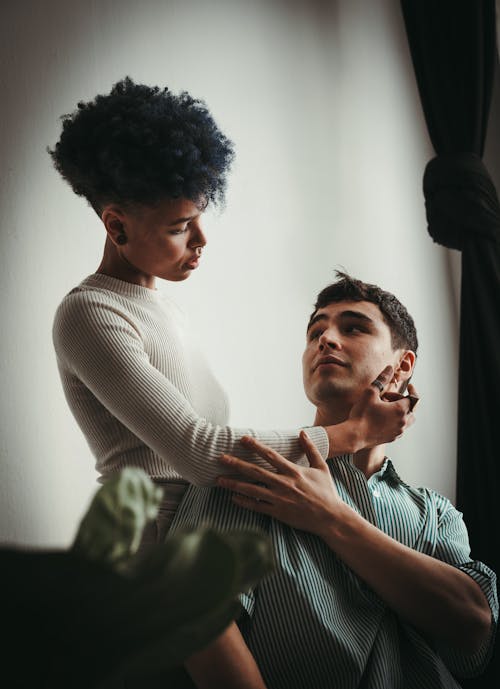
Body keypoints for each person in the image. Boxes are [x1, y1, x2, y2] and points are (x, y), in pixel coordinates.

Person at [49, 79, 417, 689]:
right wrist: (350, 432)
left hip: (206, 550)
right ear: (116, 226)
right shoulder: (90, 313)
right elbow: (199, 451)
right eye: (180, 225)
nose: (201, 241)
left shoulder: (166, 312)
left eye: (200, 217)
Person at [170, 273, 498, 689]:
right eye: (315, 331)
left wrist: (333, 519)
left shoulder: (435, 512)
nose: (325, 339)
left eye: (353, 327)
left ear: (402, 366)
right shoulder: (250, 472)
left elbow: (474, 627)